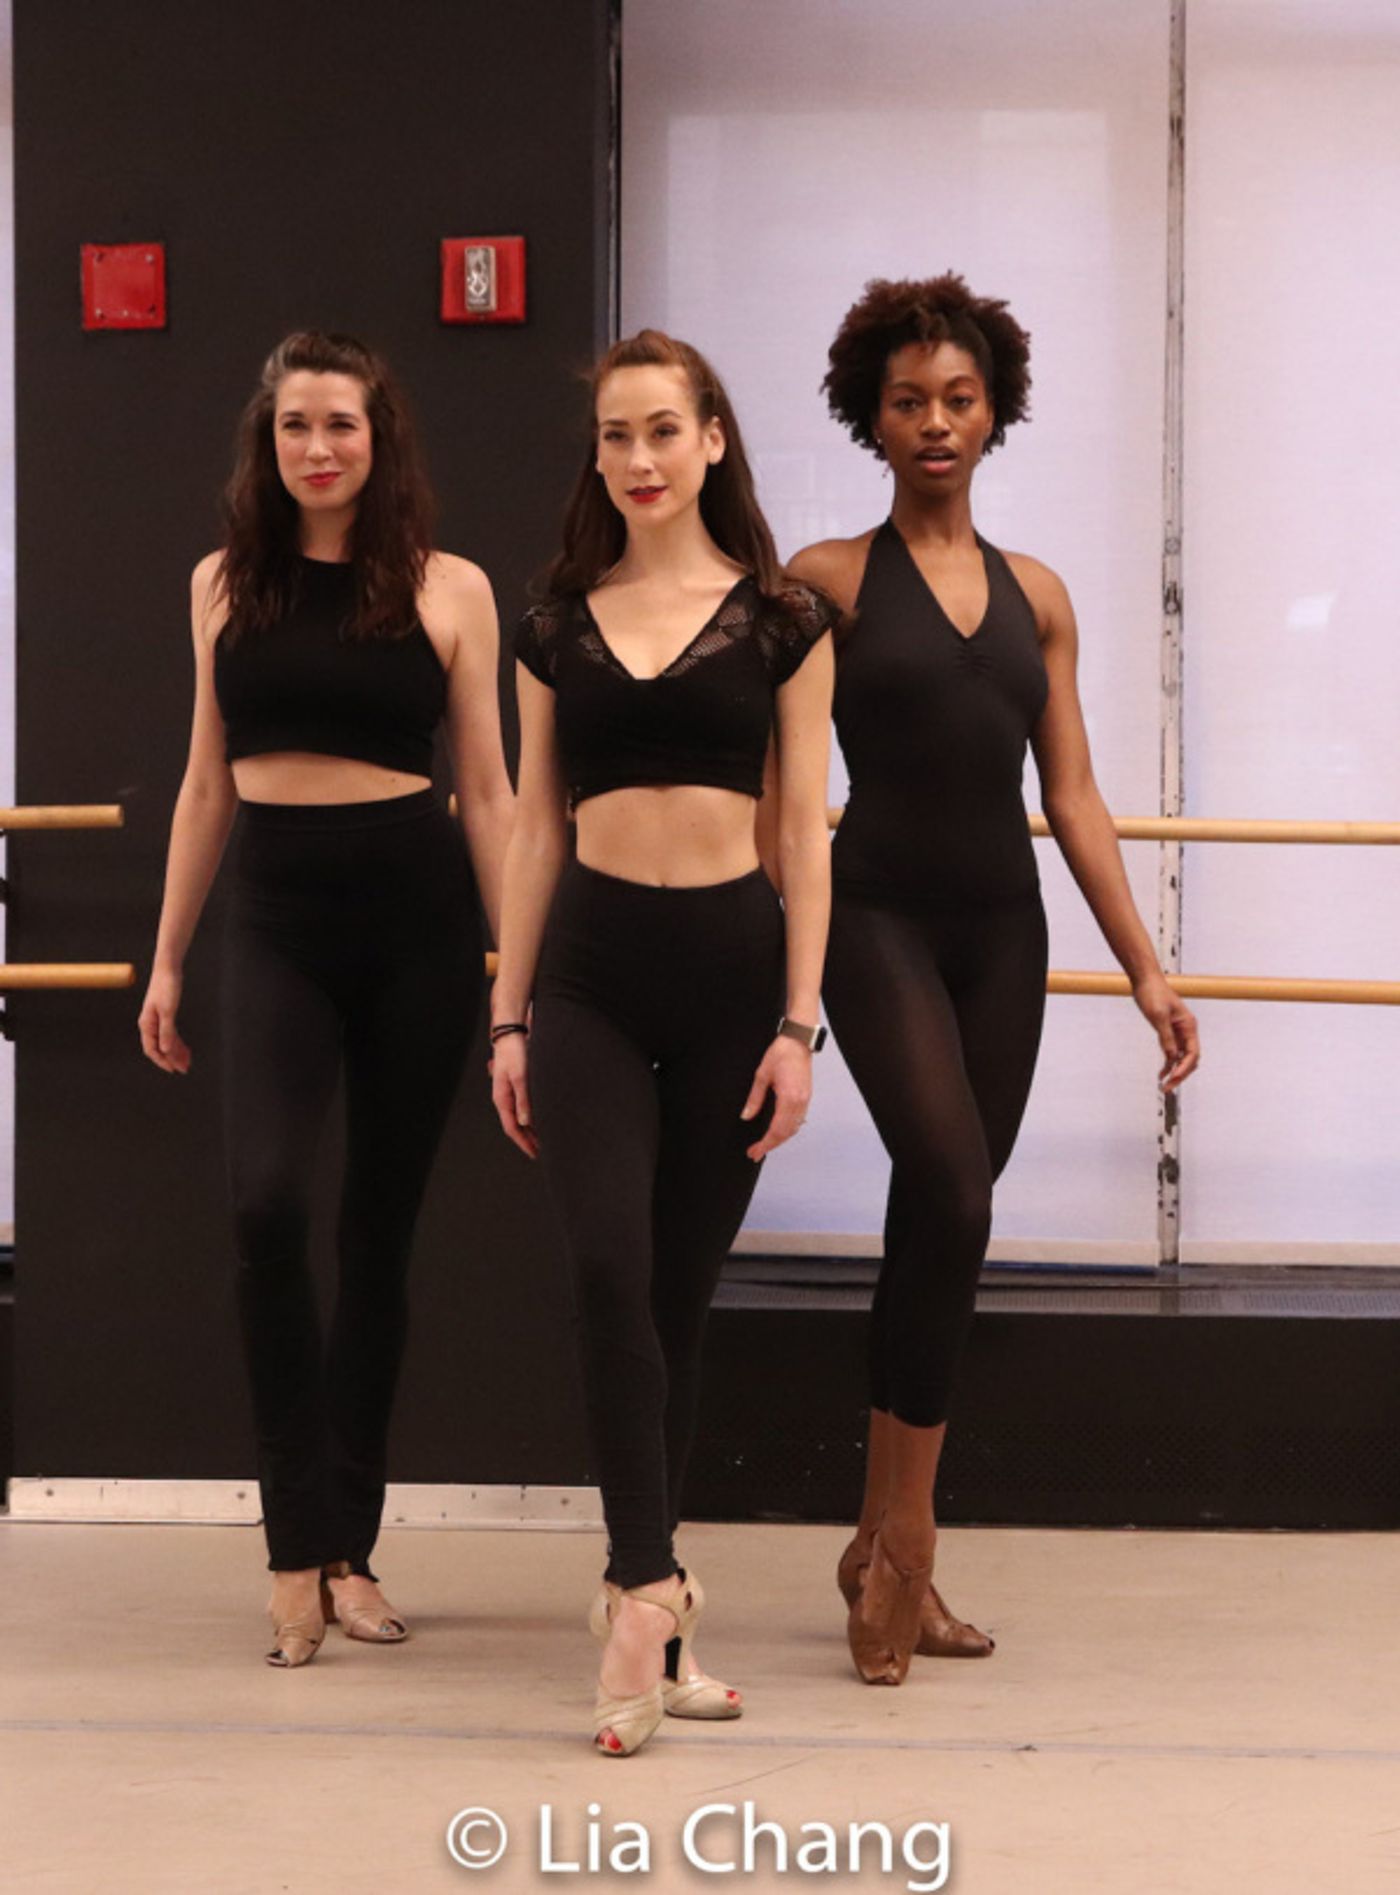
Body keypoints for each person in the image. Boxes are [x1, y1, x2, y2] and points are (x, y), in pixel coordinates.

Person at [789, 274, 1200, 1686]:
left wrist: (1146, 970)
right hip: (873, 918)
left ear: (993, 411)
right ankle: (908, 1550)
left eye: (958, 399)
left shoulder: (1041, 596)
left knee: (939, 1223)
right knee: (956, 1192)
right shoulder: (828, 581)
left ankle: (871, 1539)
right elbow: (774, 778)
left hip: (1002, 934)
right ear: (873, 417)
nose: (935, 422)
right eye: (909, 401)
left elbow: (1071, 797)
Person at [138, 331, 513, 1666]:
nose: (317, 447)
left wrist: (516, 989)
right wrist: (168, 955)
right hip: (276, 921)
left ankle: (349, 1545)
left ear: (379, 436)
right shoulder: (221, 583)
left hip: (417, 923)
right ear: (269, 439)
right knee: (266, 1209)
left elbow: (491, 795)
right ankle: (292, 1547)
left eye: (340, 423)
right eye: (295, 424)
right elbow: (205, 783)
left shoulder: (449, 587)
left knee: (378, 1238)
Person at [491, 329, 835, 1755]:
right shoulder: (554, 621)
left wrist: (800, 1025)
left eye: (661, 431)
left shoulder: (785, 619)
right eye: (615, 437)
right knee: (605, 1268)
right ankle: (643, 1592)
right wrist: (508, 1012)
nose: (638, 459)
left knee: (676, 1300)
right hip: (587, 977)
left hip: (731, 979)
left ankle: (660, 1601)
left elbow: (802, 833)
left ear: (712, 440)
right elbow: (532, 825)